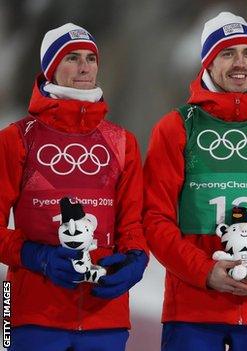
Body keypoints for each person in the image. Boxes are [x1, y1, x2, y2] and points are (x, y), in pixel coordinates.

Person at [143, 12, 247, 351]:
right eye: (227, 53)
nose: (240, 63)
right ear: (207, 61)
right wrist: (203, 271)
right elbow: (154, 219)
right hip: (193, 307)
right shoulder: (175, 127)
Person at [0, 23, 148, 350]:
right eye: (71, 58)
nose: (84, 67)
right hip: (29, 314)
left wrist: (137, 259)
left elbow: (133, 224)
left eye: (90, 59)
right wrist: (37, 257)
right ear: (51, 69)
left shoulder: (123, 142)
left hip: (104, 315)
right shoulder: (16, 139)